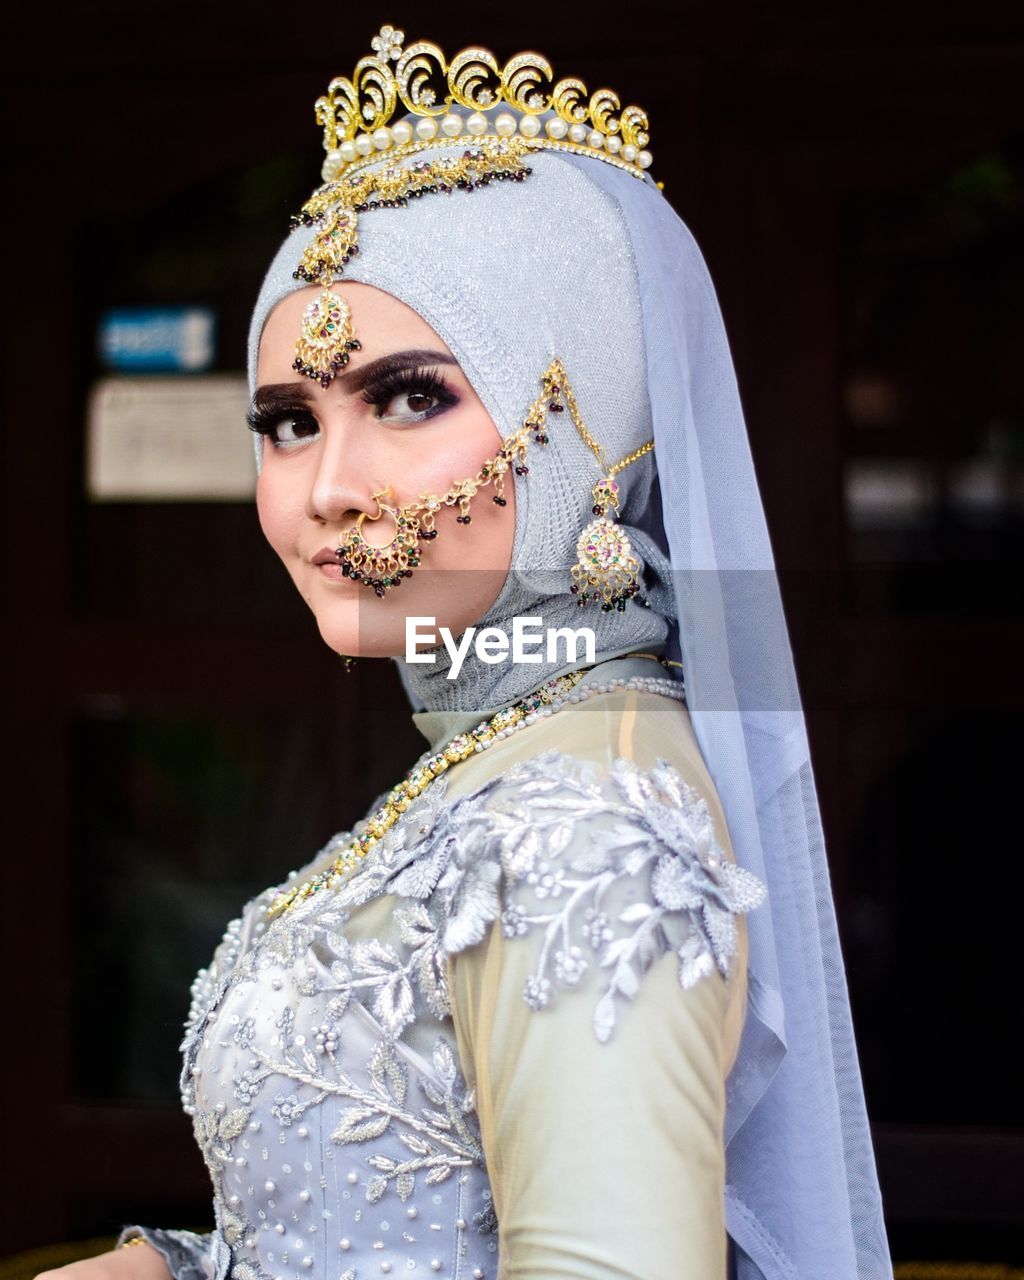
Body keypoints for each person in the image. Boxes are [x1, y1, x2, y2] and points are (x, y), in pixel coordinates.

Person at [44, 27, 893, 1280]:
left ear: (591, 426)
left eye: (406, 397)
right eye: (286, 422)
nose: (326, 487)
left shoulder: (588, 824)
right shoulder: (515, 753)